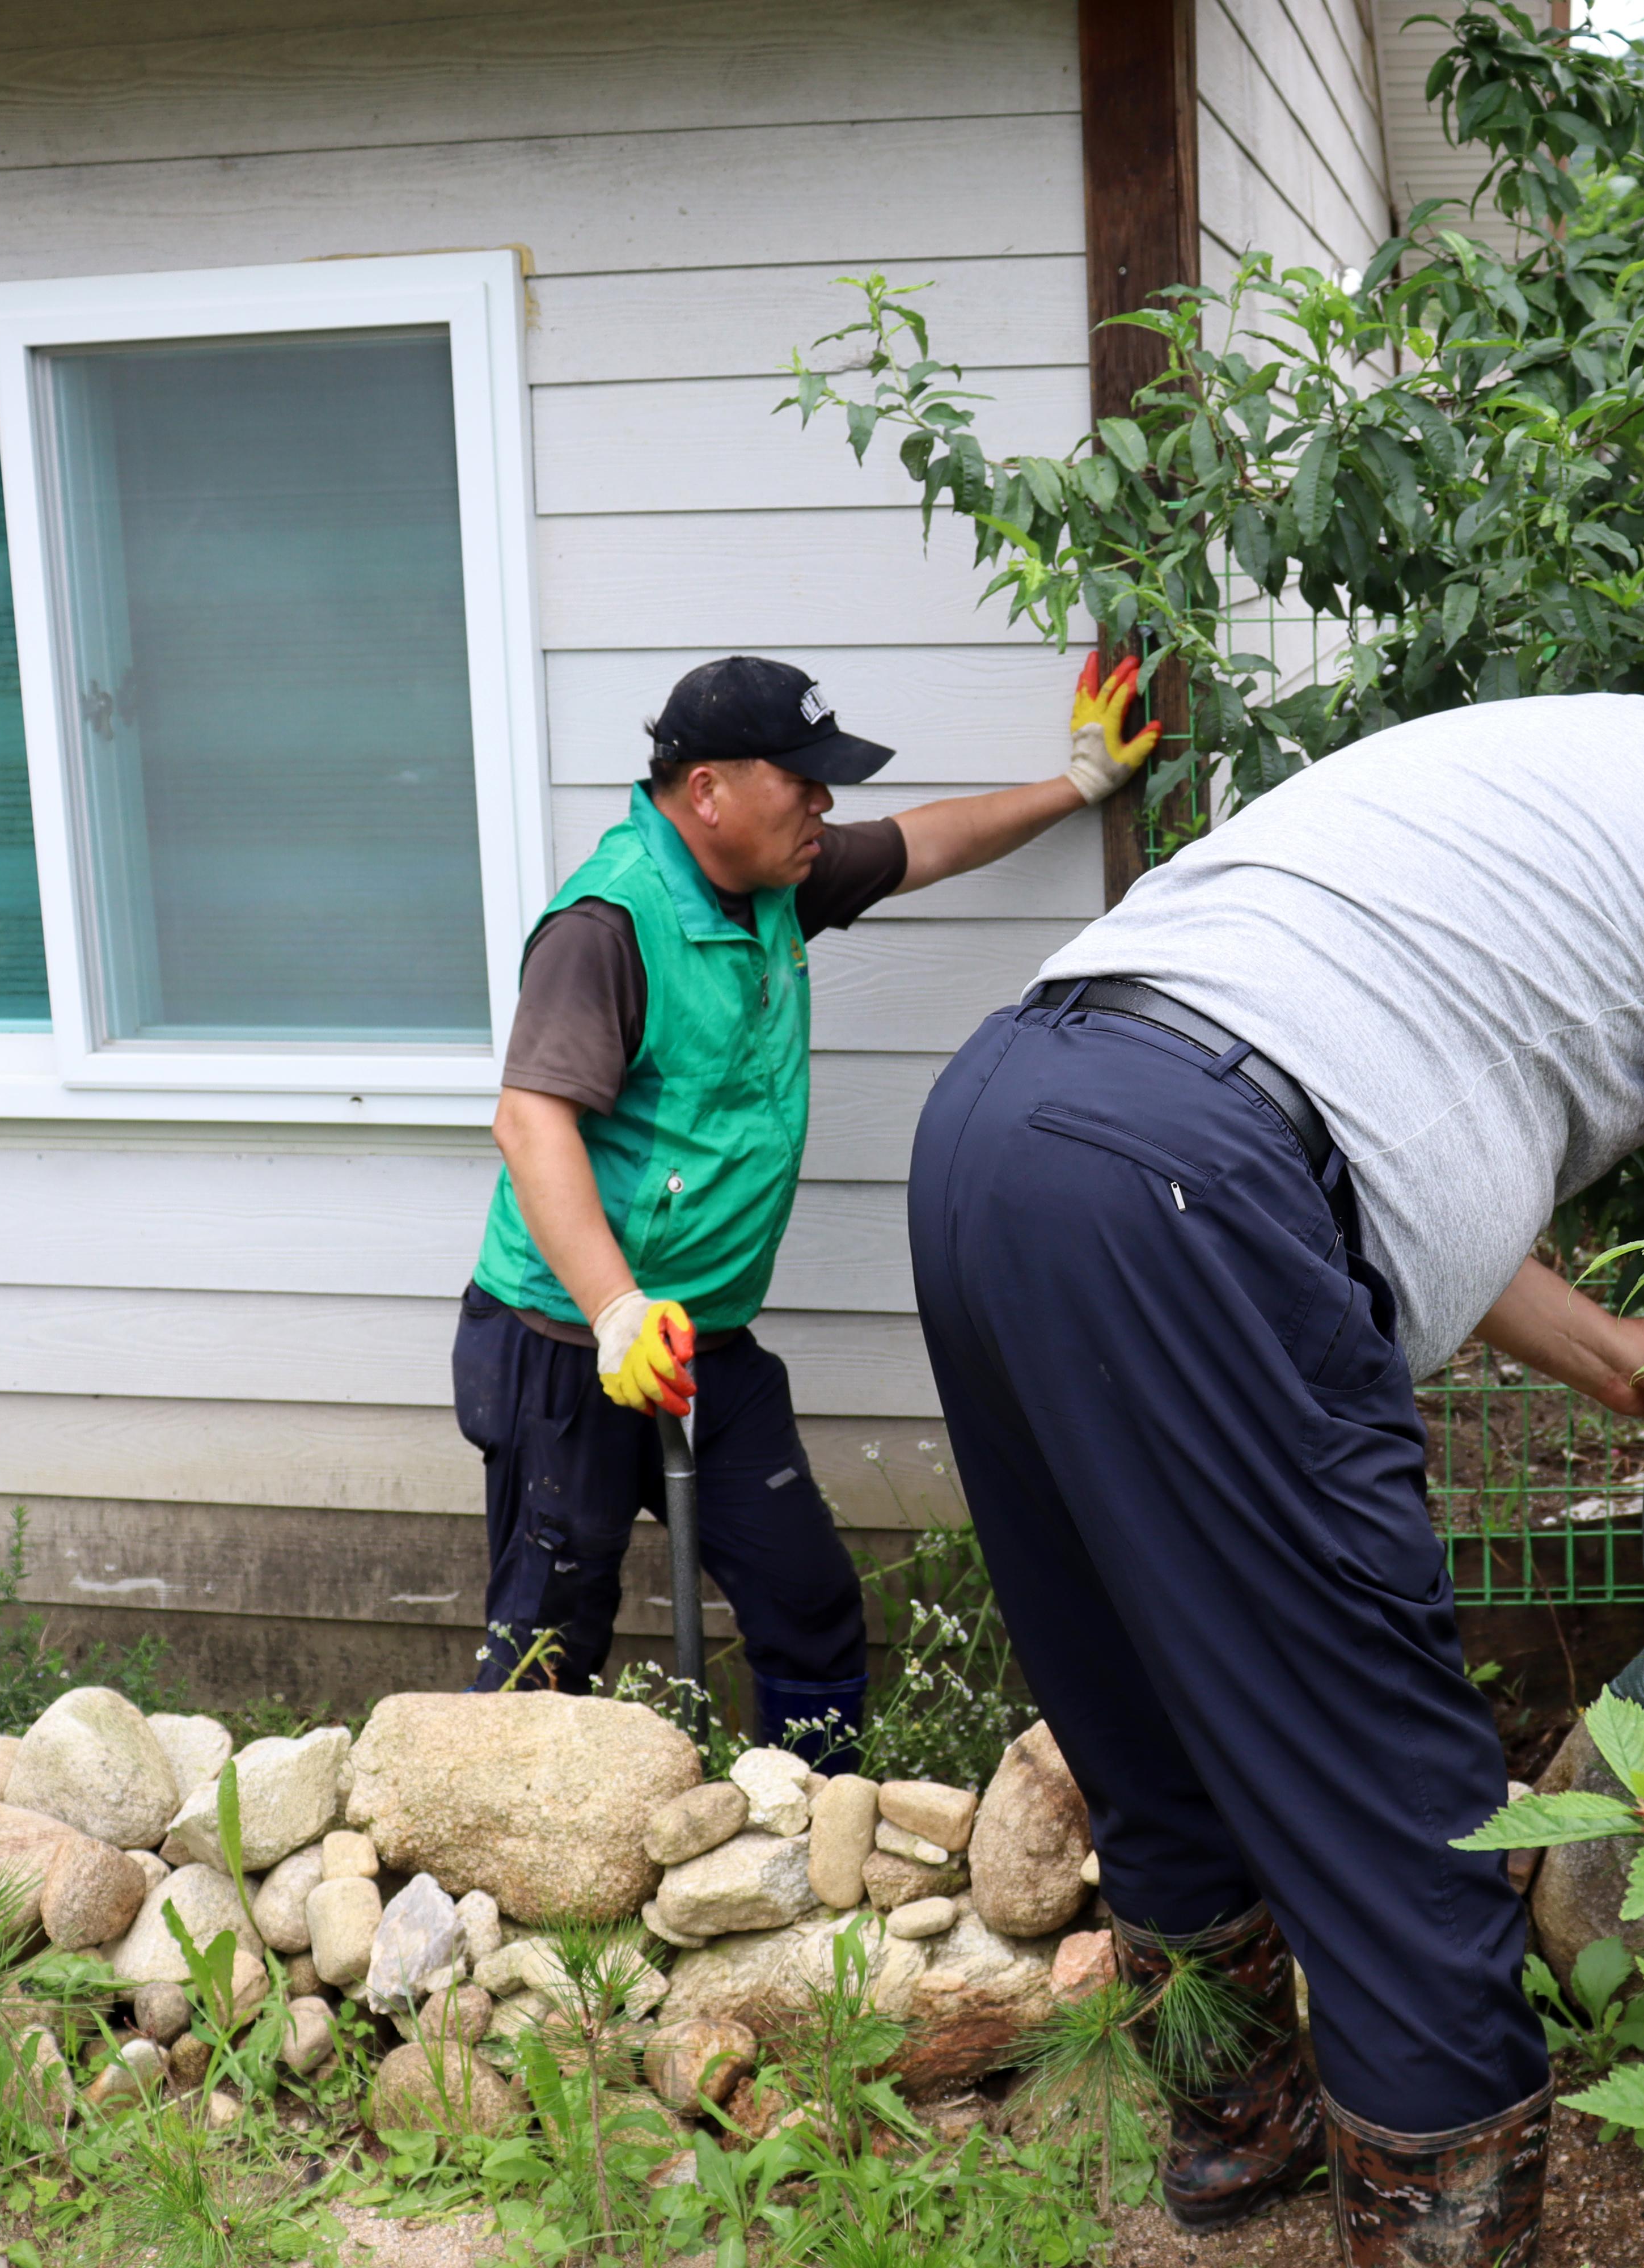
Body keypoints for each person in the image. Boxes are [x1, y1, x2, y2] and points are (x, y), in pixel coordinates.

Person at [905, 655, 1644, 2265]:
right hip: (1193, 1185)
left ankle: (1231, 2140)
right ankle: (1445, 2240)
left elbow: (1372, 1146)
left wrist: (1608, 1359)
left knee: (1140, 1714)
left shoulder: (1550, 765)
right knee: (1407, 1805)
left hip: (997, 1133)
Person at [457, 653, 1161, 1762]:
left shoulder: (773, 873)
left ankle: (805, 1841)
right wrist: (614, 1311)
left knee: (811, 1604)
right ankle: (494, 1888)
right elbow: (529, 1122)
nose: (826, 804)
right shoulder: (608, 924)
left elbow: (928, 842)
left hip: (707, 1340)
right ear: (709, 791)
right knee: (550, 1647)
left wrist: (1078, 782)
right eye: (804, 780)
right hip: (569, 1343)